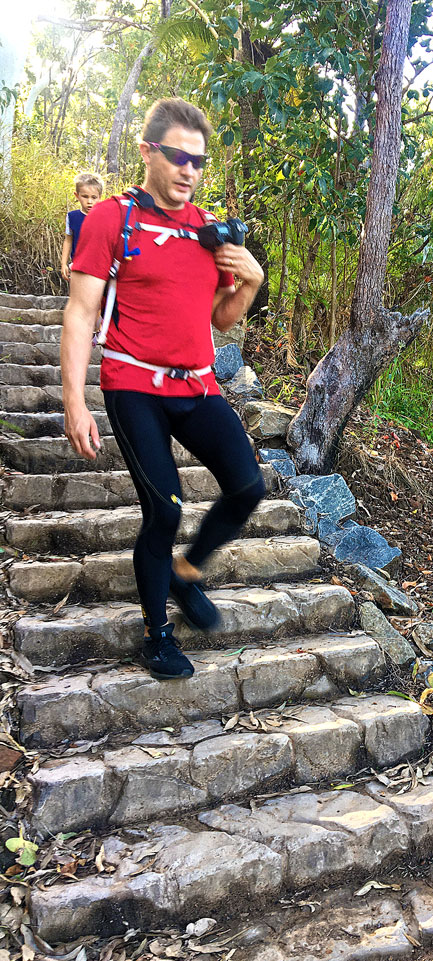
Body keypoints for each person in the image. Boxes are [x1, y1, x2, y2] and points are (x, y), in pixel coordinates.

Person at [61, 98, 266, 681]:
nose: (189, 171)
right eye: (178, 156)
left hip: (197, 385)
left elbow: (222, 319)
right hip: (133, 385)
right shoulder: (110, 220)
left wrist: (250, 281)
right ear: (149, 152)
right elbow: (79, 314)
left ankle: (186, 572)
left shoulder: (206, 230)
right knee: (165, 506)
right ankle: (157, 634)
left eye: (198, 162)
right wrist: (75, 401)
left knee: (248, 487)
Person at [60, 172, 103, 282]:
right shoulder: (72, 217)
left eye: (94, 197)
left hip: (100, 268)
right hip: (78, 267)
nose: (89, 201)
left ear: (100, 197)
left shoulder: (104, 217)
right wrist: (63, 263)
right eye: (85, 196)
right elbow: (68, 240)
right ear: (77, 195)